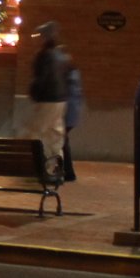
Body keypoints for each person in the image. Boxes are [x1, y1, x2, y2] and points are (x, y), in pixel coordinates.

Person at [27, 20, 72, 177]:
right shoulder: (61, 55)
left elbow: (41, 78)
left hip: (47, 98)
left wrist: (34, 93)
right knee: (55, 134)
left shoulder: (44, 56)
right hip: (61, 99)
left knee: (37, 132)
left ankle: (38, 166)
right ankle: (56, 167)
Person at [61, 61, 84, 182]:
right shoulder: (74, 78)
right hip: (72, 114)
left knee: (62, 140)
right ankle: (67, 171)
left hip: (67, 114)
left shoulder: (67, 80)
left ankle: (67, 171)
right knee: (63, 140)